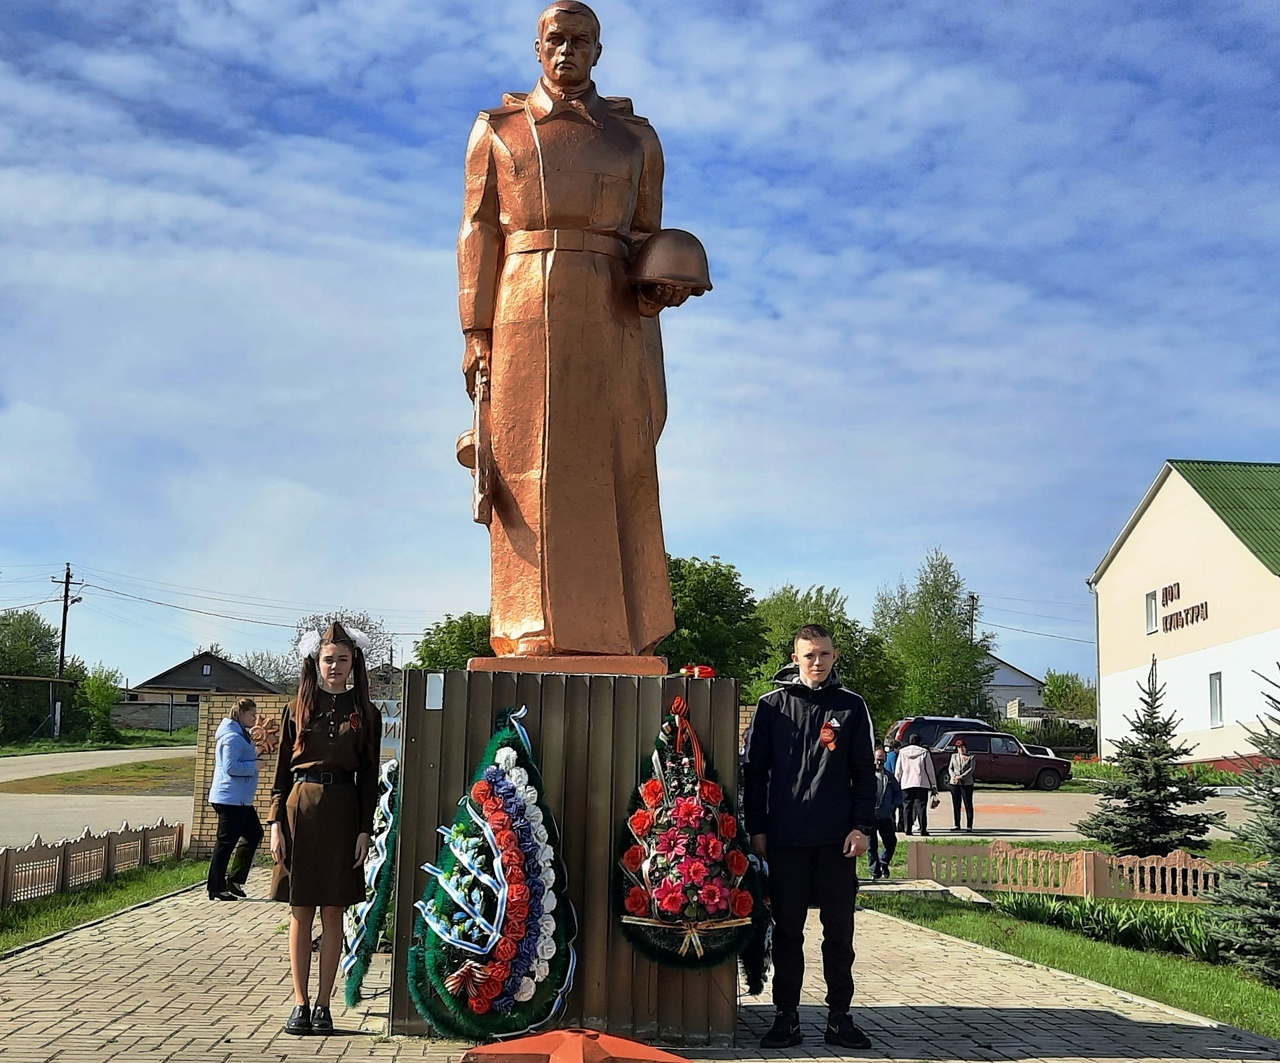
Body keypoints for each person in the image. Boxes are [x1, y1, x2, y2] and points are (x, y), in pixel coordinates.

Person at [457, 1, 696, 658]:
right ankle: (525, 624)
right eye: (556, 40)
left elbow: (646, 235)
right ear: (538, 49)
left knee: (612, 457)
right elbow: (477, 231)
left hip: (611, 311)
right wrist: (476, 333)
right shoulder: (499, 129)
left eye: (581, 41)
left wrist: (661, 282)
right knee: (525, 463)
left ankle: (617, 628)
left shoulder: (634, 139)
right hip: (523, 306)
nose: (567, 52)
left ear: (598, 50)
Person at [743, 624, 877, 1051]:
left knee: (839, 933)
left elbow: (864, 775)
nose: (816, 662)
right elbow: (755, 772)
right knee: (787, 934)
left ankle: (840, 1018)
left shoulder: (852, 707)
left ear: (835, 656)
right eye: (808, 655)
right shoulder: (771, 707)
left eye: (823, 654)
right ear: (795, 658)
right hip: (785, 840)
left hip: (838, 841)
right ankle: (787, 1019)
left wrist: (862, 827)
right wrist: (757, 828)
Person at [269, 622, 382, 1036]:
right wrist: (275, 823)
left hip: (344, 813)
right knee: (301, 911)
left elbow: (369, 777)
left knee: (333, 912)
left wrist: (365, 829)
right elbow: (281, 773)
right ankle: (299, 1003)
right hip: (300, 812)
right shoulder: (296, 707)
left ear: (354, 663)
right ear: (316, 662)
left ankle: (323, 1005)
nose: (335, 666)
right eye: (328, 659)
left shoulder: (367, 713)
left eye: (343, 659)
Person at [206, 697, 262, 901]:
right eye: (252, 714)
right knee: (225, 843)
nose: (256, 718)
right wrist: (254, 767)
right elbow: (231, 767)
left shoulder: (242, 735)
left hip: (241, 799)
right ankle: (216, 887)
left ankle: (234, 880)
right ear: (240, 714)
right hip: (229, 799)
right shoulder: (231, 738)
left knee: (254, 834)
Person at [868, 747, 903, 880]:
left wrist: (893, 805)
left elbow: (898, 793)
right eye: (877, 760)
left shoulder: (889, 777)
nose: (879, 764)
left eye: (881, 761)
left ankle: (883, 863)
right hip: (870, 816)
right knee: (872, 845)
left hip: (885, 816)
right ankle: (875, 872)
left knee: (891, 842)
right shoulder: (867, 776)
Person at [894, 733, 938, 836]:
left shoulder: (902, 752)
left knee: (907, 807)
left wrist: (896, 783)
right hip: (921, 783)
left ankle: (907, 829)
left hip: (906, 783)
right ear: (919, 742)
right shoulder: (924, 752)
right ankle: (923, 829)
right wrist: (933, 784)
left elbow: (898, 770)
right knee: (921, 807)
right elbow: (929, 770)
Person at [948, 737, 976, 832]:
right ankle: (957, 824)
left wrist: (961, 776)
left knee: (968, 804)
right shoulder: (953, 756)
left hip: (966, 783)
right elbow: (950, 768)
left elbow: (971, 770)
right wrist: (954, 776)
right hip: (955, 784)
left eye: (962, 747)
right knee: (956, 804)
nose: (961, 749)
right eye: (959, 747)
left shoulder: (971, 757)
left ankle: (969, 825)